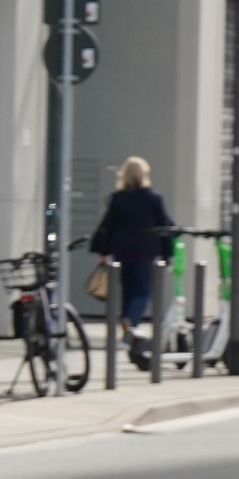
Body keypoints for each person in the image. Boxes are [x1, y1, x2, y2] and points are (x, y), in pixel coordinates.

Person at [91, 155, 174, 364]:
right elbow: (164, 226)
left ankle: (128, 328)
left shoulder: (118, 198)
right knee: (142, 293)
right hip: (145, 251)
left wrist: (102, 250)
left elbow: (107, 225)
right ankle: (130, 323)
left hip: (121, 253)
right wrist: (168, 253)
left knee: (128, 292)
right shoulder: (153, 198)